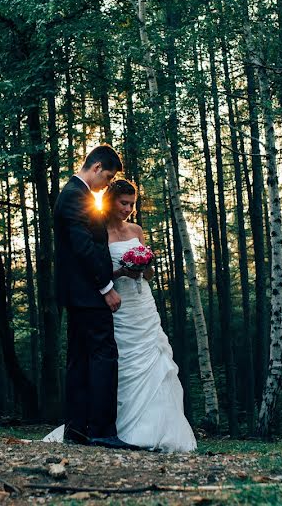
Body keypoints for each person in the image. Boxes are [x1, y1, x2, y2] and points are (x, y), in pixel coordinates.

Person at [45, 179, 196, 453]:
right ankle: (110, 426)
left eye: (132, 204)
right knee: (119, 364)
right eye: (123, 203)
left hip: (142, 304)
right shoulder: (98, 230)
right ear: (111, 202)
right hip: (115, 304)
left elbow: (149, 274)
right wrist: (121, 271)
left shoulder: (136, 230)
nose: (128, 208)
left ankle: (158, 427)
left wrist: (145, 264)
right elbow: (95, 271)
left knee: (155, 360)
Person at [52, 145, 138, 450]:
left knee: (79, 359)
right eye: (109, 176)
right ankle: (102, 430)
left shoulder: (75, 193)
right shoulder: (77, 195)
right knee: (104, 355)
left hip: (77, 293)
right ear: (98, 166)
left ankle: (76, 430)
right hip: (88, 293)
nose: (107, 183)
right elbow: (84, 248)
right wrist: (106, 288)